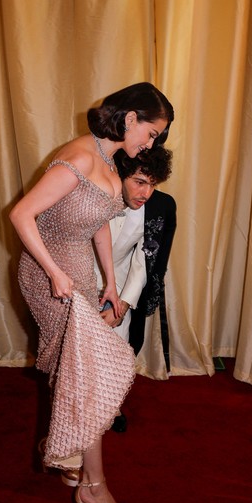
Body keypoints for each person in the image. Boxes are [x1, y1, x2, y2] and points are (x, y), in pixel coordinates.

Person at [9, 82, 174, 503]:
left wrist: (111, 284)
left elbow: (99, 222)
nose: (151, 143)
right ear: (130, 118)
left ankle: (68, 450)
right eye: (152, 133)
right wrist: (54, 273)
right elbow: (22, 215)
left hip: (79, 271)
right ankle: (93, 487)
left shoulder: (107, 158)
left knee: (76, 371)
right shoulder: (80, 157)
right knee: (88, 374)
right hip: (49, 277)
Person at [97, 146, 175, 433]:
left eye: (152, 184)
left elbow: (144, 260)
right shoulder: (95, 194)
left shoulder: (158, 208)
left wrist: (124, 303)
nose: (146, 193)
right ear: (120, 175)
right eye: (139, 182)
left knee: (118, 348)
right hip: (77, 275)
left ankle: (111, 405)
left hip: (120, 281)